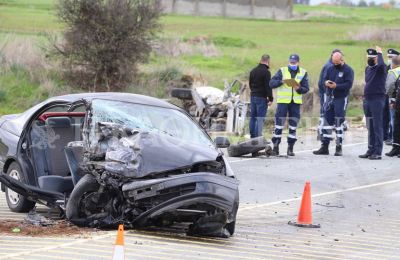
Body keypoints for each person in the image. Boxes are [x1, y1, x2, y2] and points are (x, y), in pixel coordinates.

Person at [313, 52, 354, 156]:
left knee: (338, 122)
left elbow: (348, 85)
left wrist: (336, 86)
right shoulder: (330, 68)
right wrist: (326, 83)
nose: (335, 64)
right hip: (329, 98)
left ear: (341, 60)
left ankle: (338, 147)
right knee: (326, 122)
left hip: (340, 99)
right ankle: (324, 147)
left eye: (337, 62)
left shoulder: (348, 70)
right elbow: (324, 80)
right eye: (333, 62)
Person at [269, 54, 309, 156]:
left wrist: (299, 89)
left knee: (293, 126)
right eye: (291, 62)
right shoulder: (282, 71)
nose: (292, 63)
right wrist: (281, 81)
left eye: (294, 62)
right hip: (283, 102)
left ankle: (290, 149)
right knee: (278, 124)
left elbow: (306, 88)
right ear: (289, 61)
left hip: (295, 103)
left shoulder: (303, 72)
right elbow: (271, 83)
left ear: (298, 62)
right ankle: (276, 147)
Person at [359, 47, 387, 160]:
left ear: (377, 58)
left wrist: (380, 53)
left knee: (377, 126)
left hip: (377, 100)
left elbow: (381, 65)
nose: (370, 59)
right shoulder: (368, 69)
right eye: (369, 57)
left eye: (373, 57)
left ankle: (378, 152)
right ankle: (370, 150)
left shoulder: (381, 68)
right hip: (368, 100)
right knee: (370, 126)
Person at [317, 49, 343, 140]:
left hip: (326, 93)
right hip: (326, 93)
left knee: (324, 113)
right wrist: (327, 92)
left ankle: (322, 133)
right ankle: (321, 133)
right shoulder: (329, 66)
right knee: (324, 113)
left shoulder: (331, 65)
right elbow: (322, 81)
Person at [249, 54, 273, 138]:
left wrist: (254, 92)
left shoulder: (253, 71)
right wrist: (270, 98)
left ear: (261, 60)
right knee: (260, 118)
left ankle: (252, 136)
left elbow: (250, 84)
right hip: (261, 98)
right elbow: (268, 86)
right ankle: (257, 138)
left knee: (253, 118)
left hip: (253, 96)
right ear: (268, 61)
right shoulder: (266, 72)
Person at [383, 48, 399, 145]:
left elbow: (390, 85)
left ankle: (393, 138)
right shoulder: (387, 67)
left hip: (393, 97)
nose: (389, 59)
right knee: (386, 116)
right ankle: (387, 135)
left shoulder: (395, 69)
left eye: (391, 57)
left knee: (394, 118)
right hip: (386, 95)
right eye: (388, 57)